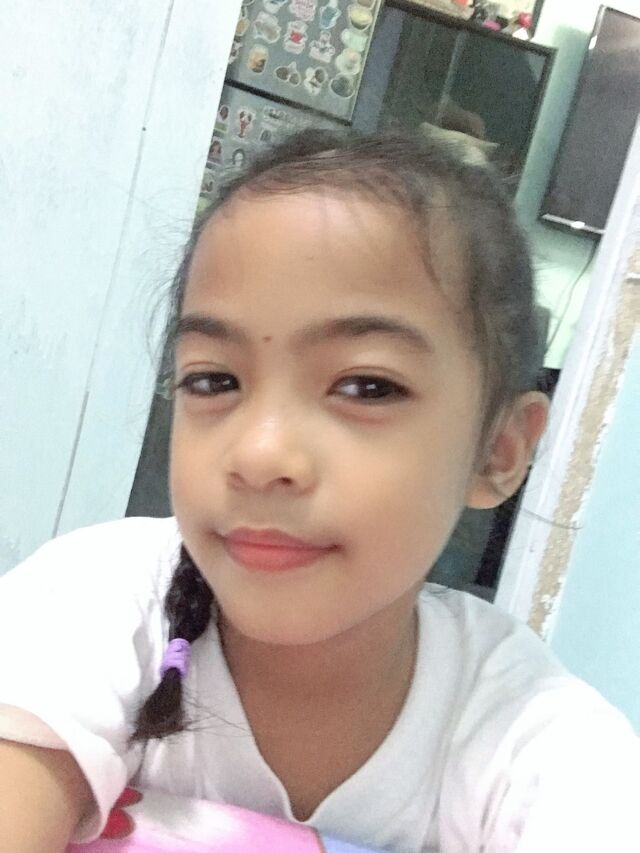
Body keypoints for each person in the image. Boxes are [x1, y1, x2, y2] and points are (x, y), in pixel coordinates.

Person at [1, 129, 638, 853]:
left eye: (366, 386)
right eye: (215, 379)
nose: (260, 454)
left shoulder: (527, 734)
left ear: (499, 451)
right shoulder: (95, 604)